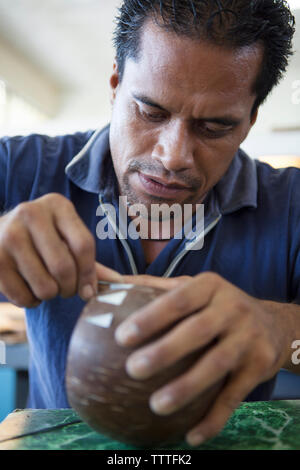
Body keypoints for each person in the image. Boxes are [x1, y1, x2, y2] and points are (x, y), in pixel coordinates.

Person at [0, 0, 298, 447]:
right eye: (151, 112)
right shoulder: (19, 168)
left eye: (214, 126)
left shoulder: (292, 204)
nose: (173, 155)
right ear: (116, 83)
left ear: (251, 120)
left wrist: (284, 334)